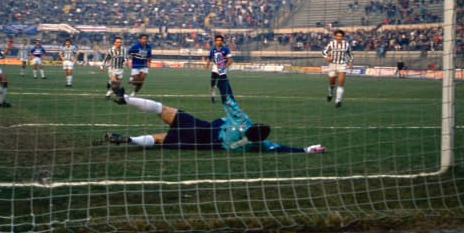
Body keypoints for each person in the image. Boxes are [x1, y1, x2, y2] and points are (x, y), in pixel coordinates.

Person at [104, 90, 326, 154]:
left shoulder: (242, 121)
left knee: (163, 109)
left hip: (200, 126)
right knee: (160, 139)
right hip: (198, 144)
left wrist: (221, 76)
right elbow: (280, 148)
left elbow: (228, 98)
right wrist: (306, 149)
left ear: (252, 125)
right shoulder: (254, 146)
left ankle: (126, 99)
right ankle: (130, 140)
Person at [322, 29, 353, 108]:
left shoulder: (346, 44)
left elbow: (350, 54)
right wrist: (327, 57)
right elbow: (324, 52)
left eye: (341, 36)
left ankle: (338, 100)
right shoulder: (331, 44)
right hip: (332, 65)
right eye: (338, 36)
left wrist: (350, 62)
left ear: (343, 37)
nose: (339, 37)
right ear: (335, 36)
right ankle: (330, 93)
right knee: (332, 83)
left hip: (342, 65)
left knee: (341, 82)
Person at [204, 34, 233, 103]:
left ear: (222, 41)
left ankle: (225, 99)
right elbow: (209, 58)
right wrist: (207, 65)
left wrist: (225, 66)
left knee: (222, 83)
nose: (219, 42)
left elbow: (230, 60)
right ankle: (213, 94)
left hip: (222, 69)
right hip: (215, 67)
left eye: (220, 40)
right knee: (213, 82)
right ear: (215, 41)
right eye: (217, 40)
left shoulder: (225, 49)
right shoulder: (213, 50)